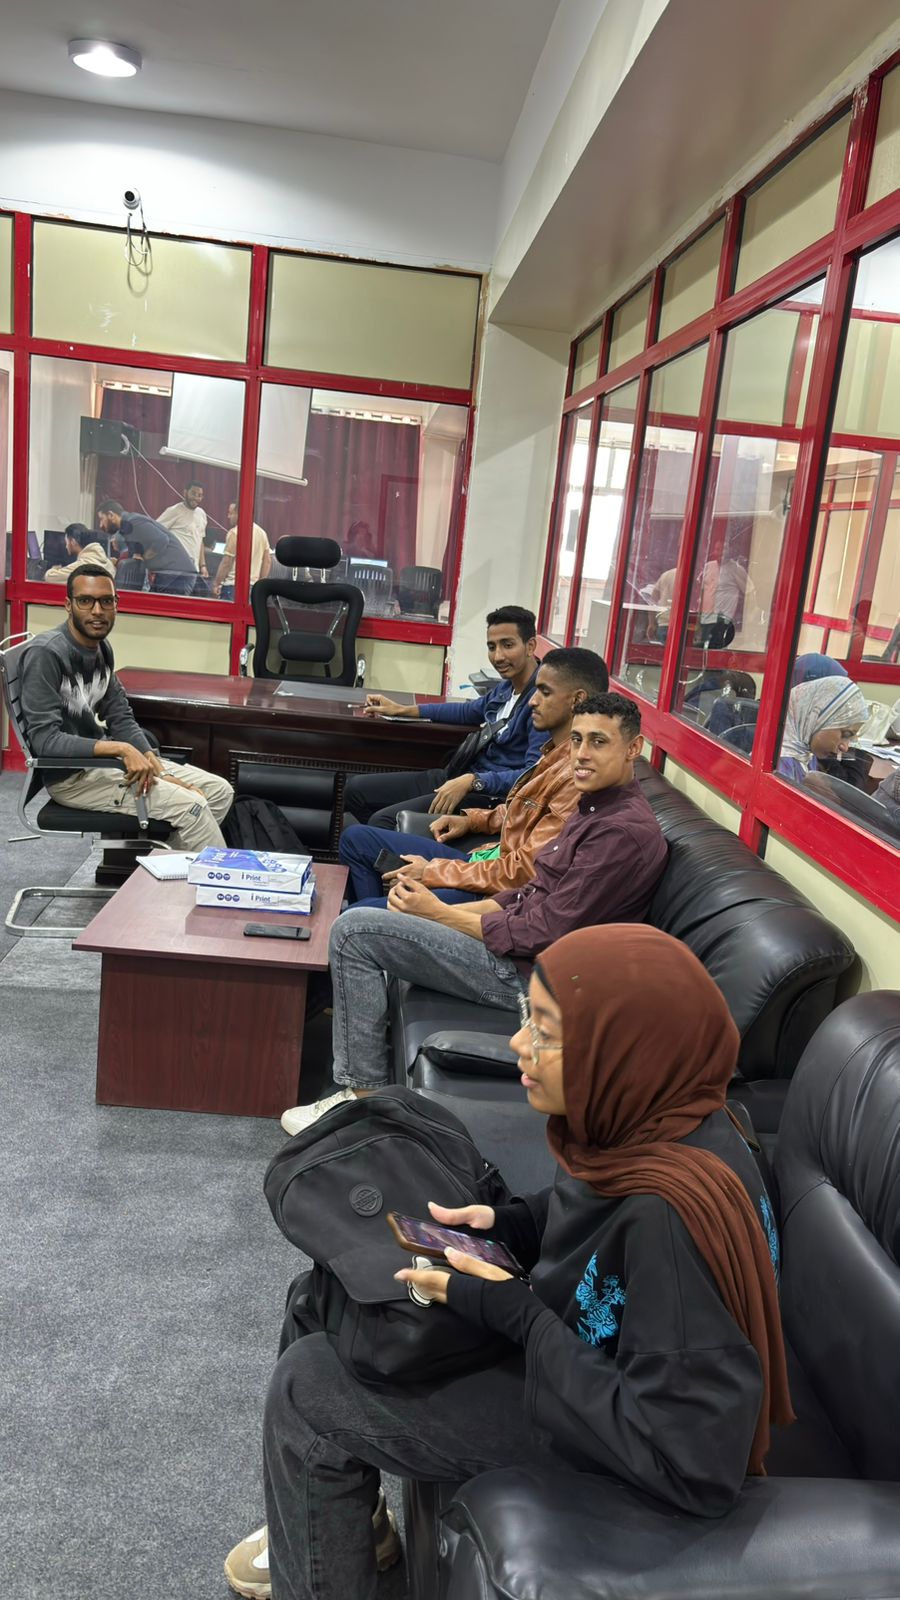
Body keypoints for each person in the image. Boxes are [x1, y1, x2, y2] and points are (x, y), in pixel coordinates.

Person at [228, 924, 791, 1600]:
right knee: (321, 1295)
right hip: (581, 1362)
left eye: (546, 1033)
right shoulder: (664, 1119)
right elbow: (598, 1211)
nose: (519, 1044)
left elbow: (685, 1458)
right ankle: (342, 1524)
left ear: (620, 1053)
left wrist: (511, 1311)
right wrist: (511, 1223)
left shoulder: (669, 1220)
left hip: (612, 1440)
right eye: (529, 1019)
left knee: (307, 1388)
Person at [281, 692, 667, 1134]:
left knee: (354, 931)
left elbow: (544, 931)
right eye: (577, 740)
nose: (580, 753)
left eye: (598, 742)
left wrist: (438, 914)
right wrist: (436, 909)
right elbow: (528, 893)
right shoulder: (593, 805)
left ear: (633, 749)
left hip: (530, 978)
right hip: (520, 951)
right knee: (378, 912)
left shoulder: (620, 832)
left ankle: (361, 1100)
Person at [338, 648, 609, 906]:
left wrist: (433, 871)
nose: (533, 701)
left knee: (355, 913)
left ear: (577, 700)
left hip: (495, 891)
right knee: (355, 839)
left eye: (545, 692)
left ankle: (370, 920)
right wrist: (473, 821)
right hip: (484, 862)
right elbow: (524, 809)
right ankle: (374, 923)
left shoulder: (578, 773)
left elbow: (524, 872)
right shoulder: (552, 752)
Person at [18, 566, 234, 849]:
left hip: (105, 766)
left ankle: (162, 869)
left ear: (116, 604)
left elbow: (120, 716)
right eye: (86, 601)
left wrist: (157, 766)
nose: (97, 611)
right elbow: (45, 741)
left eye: (106, 601)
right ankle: (201, 876)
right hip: (74, 779)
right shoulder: (46, 654)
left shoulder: (101, 648)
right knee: (193, 807)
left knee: (219, 792)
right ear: (68, 605)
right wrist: (121, 749)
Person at [342, 606, 543, 828]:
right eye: (491, 647)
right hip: (459, 776)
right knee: (355, 790)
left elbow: (533, 775)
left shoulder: (542, 701)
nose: (498, 656)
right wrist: (401, 710)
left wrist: (475, 781)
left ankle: (401, 842)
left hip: (484, 796)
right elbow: (468, 711)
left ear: (530, 646)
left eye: (508, 645)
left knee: (383, 821)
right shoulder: (507, 687)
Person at [778, 674, 868, 783]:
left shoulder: (804, 754)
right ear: (816, 718)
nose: (845, 748)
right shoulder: (780, 766)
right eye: (845, 734)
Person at [97, 499, 198, 596]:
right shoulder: (126, 528)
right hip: (167, 575)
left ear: (111, 515)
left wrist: (144, 557)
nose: (101, 525)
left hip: (178, 576)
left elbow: (161, 540)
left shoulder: (134, 522)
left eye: (101, 519)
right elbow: (136, 554)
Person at [213, 499, 273, 598]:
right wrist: (259, 584)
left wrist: (217, 583)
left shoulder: (234, 533)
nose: (228, 517)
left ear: (238, 513)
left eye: (230, 513)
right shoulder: (262, 533)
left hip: (232, 586)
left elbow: (227, 562)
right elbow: (267, 561)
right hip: (253, 588)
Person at [158, 480, 208, 574]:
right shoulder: (174, 510)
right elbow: (155, 531)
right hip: (173, 568)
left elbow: (200, 540)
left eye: (199, 495)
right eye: (193, 493)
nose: (196, 498)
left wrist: (203, 565)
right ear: (185, 493)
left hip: (193, 569)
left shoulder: (202, 514)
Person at [43, 523, 115, 584]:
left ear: (73, 542)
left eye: (66, 542)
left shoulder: (82, 567)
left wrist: (55, 568)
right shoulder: (107, 562)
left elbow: (50, 577)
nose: (66, 546)